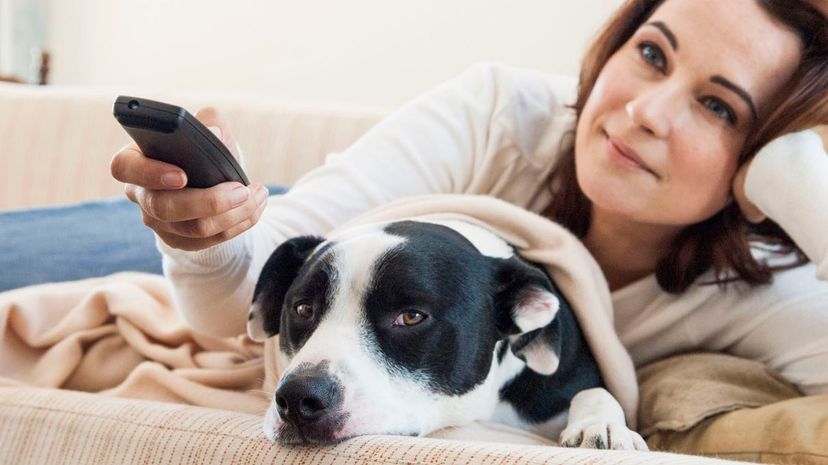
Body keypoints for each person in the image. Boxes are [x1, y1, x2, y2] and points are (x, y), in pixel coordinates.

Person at [111, 0, 828, 447]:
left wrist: (806, 190)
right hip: (271, 249)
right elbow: (239, 294)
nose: (646, 111)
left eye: (718, 106)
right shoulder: (498, 115)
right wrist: (203, 234)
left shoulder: (763, 289)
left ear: (763, 154)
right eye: (651, 53)